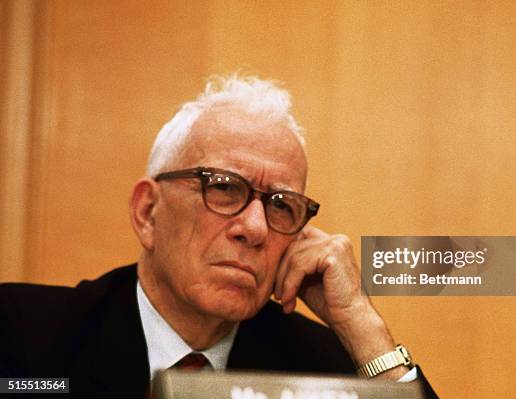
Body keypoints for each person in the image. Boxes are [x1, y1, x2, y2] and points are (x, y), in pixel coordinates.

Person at [0, 75, 437, 398]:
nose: (255, 228)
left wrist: (359, 322)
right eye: (224, 187)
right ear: (148, 213)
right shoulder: (24, 337)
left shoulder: (323, 369)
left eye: (281, 204)